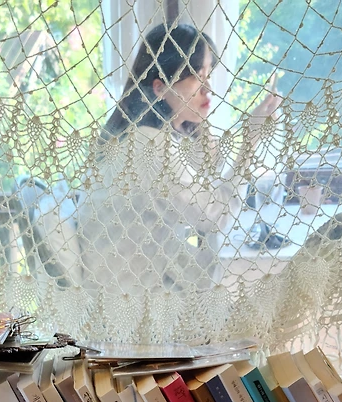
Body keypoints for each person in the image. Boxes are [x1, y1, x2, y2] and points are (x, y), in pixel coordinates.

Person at [78, 23, 282, 311]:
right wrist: (251, 140)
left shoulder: (143, 135)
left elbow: (204, 180)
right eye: (197, 76)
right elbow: (217, 215)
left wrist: (198, 123)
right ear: (160, 87)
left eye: (208, 76)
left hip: (135, 294)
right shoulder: (150, 148)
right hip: (134, 309)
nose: (208, 88)